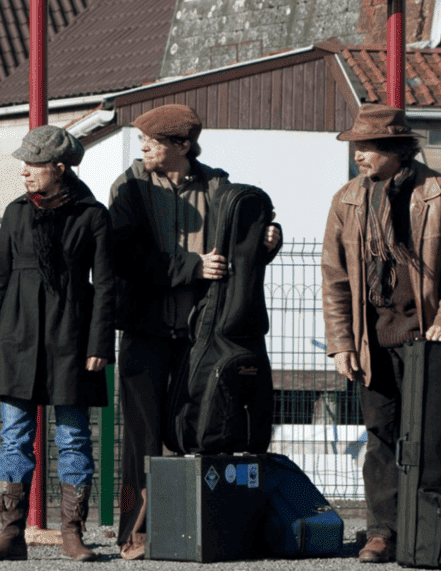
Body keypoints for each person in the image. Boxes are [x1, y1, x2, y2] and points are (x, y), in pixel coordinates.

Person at [108, 104, 282, 560]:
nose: (142, 147)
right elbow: (125, 257)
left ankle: (191, 528)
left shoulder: (219, 186)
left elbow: (249, 235)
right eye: (141, 140)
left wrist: (270, 239)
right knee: (138, 442)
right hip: (144, 333)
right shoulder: (127, 188)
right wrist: (192, 267)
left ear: (182, 146)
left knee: (191, 432)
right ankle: (133, 529)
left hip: (199, 338)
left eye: (153, 141)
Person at [321, 103, 441, 563]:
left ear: (395, 148)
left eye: (367, 147)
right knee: (381, 436)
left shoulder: (440, 193)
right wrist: (341, 343)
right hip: (373, 341)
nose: (359, 156)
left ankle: (428, 530)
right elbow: (334, 279)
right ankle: (382, 531)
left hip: (427, 341)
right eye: (356, 147)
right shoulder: (347, 199)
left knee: (430, 441)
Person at [0, 125, 115, 563]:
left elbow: (107, 286)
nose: (24, 172)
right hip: (19, 338)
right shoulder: (16, 212)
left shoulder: (92, 215)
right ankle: (11, 533)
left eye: (33, 164)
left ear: (59, 167)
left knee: (73, 438)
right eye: (24, 163)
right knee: (14, 436)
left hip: (72, 340)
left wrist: (99, 343)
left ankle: (73, 533)